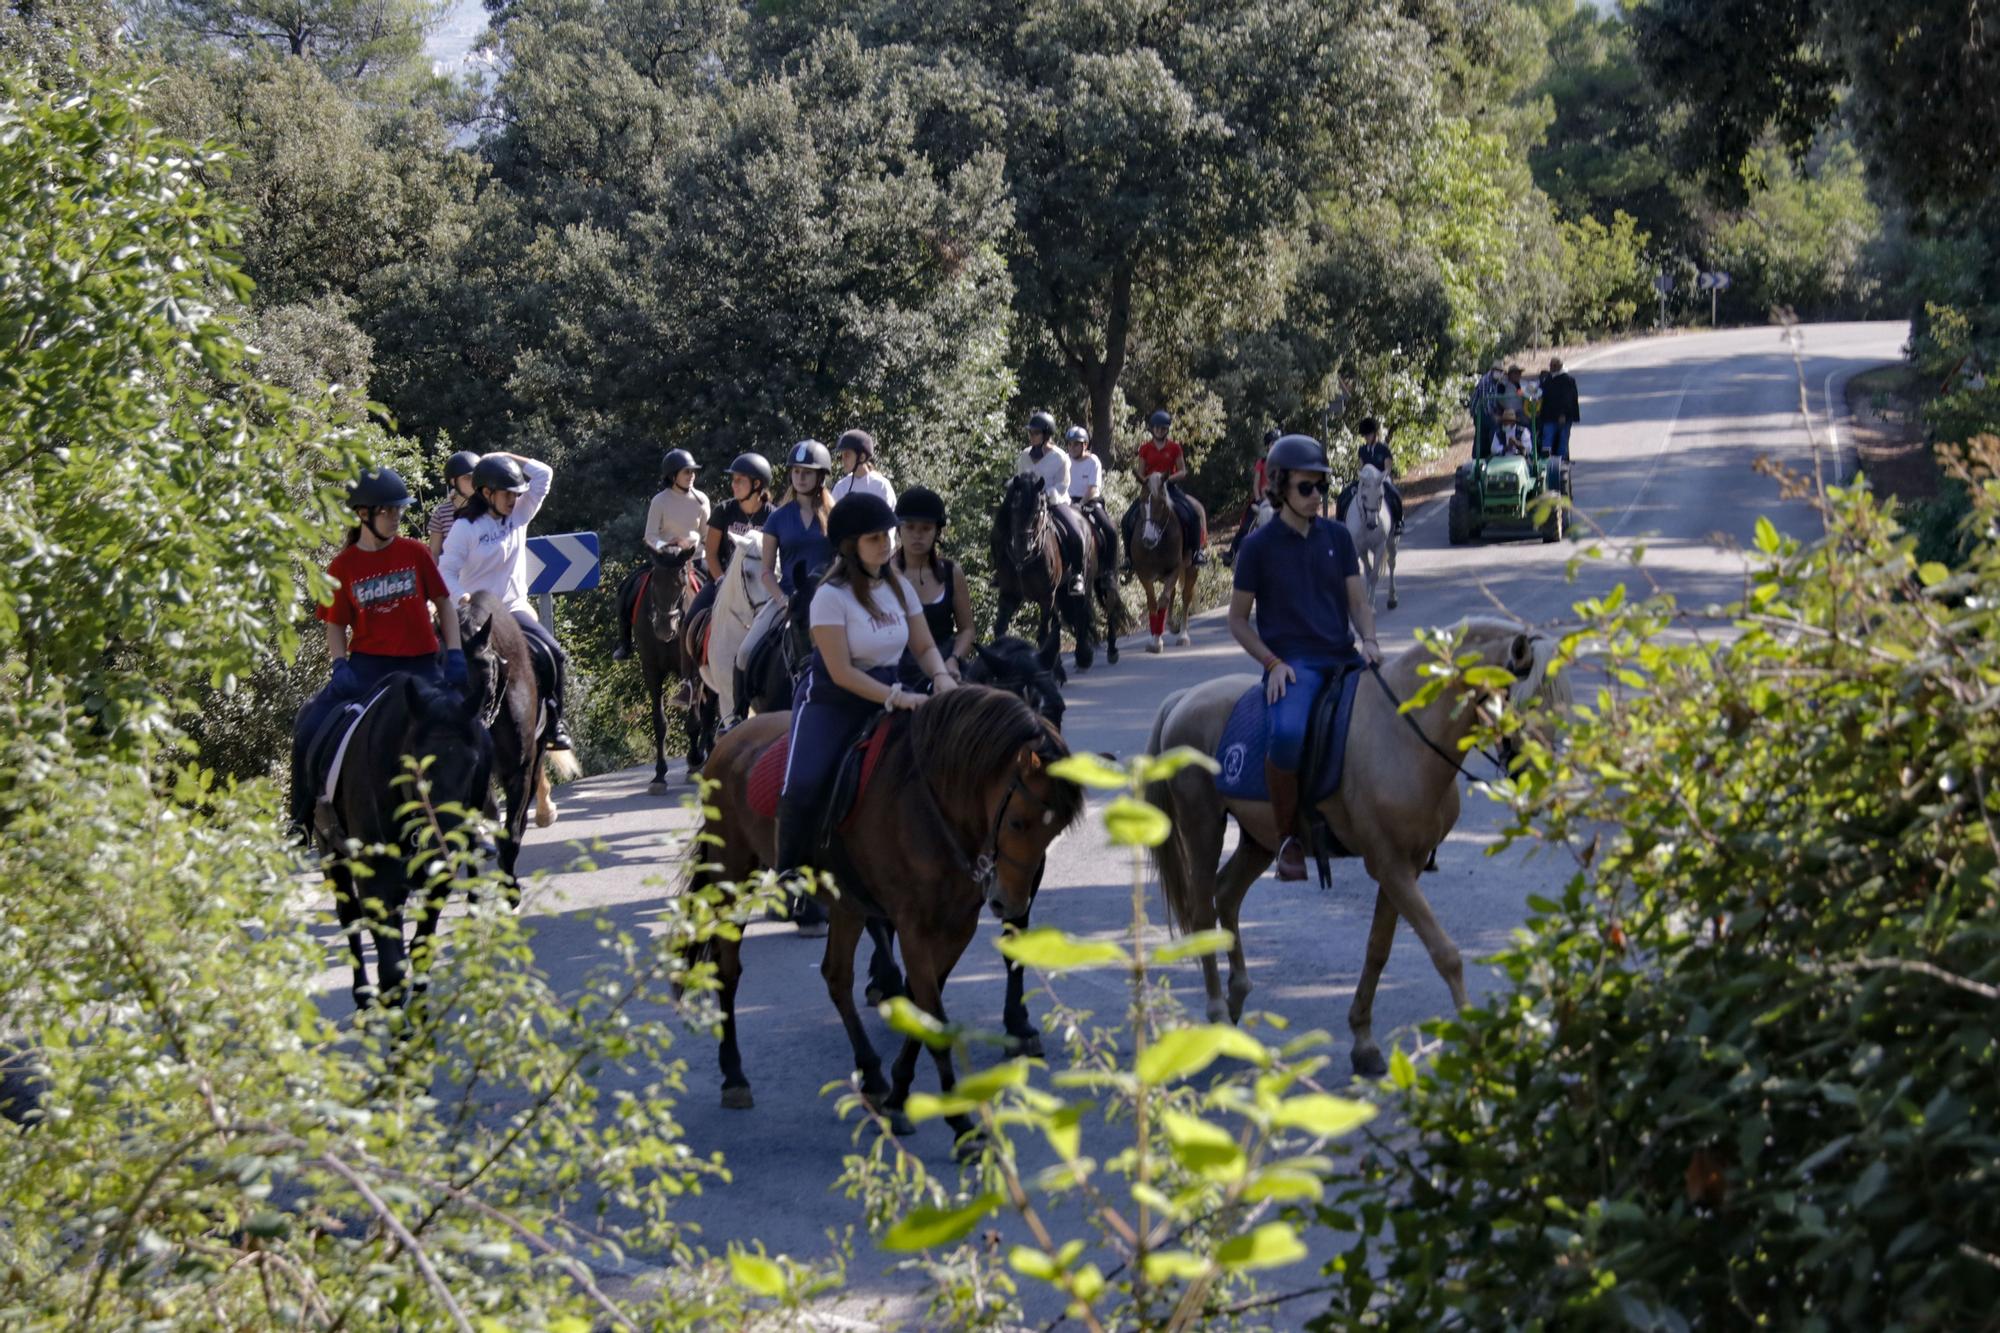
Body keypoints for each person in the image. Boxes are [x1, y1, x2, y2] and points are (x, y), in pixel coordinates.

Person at [778, 492, 956, 934]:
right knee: (802, 784)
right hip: (833, 702)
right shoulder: (829, 597)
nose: (887, 544)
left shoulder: (898, 586)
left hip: (894, 689)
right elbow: (840, 672)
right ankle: (789, 876)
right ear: (849, 545)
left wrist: (942, 679)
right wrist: (897, 699)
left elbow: (923, 645)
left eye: (888, 536)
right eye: (875, 538)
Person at [1227, 435, 1381, 881]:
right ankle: (1289, 838)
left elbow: (1358, 601)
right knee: (1289, 735)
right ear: (1278, 488)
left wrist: (1369, 640)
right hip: (1295, 666)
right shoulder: (1257, 547)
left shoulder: (1337, 536)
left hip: (1345, 659)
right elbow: (1237, 621)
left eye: (1321, 488)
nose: (1316, 497)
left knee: (1396, 713)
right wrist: (1272, 663)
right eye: (1305, 488)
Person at [291, 466, 467, 839]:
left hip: (422, 664)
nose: (396, 517)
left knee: (467, 723)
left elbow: (444, 604)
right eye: (388, 511)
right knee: (310, 722)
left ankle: (478, 812)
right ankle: (300, 817)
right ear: (363, 514)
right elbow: (335, 625)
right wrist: (340, 665)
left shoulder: (415, 552)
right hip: (369, 669)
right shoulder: (342, 566)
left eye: (398, 510)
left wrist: (454, 653)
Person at [439, 452, 574, 750]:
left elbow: (544, 475)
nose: (514, 499)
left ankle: (554, 721)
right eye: (507, 493)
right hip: (475, 614)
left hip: (513, 608)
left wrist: (505, 456)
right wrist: (462, 597)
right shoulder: (465, 528)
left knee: (553, 652)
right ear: (486, 493)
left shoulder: (519, 515)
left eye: (516, 493)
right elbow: (445, 572)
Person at [732, 440, 834, 719]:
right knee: (744, 652)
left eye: (807, 473)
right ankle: (736, 719)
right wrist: (781, 599)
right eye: (796, 472)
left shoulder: (834, 516)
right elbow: (766, 570)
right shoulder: (777, 519)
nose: (800, 478)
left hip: (831, 600)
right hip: (787, 598)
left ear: (820, 477)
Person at [613, 448, 710, 661]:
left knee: (717, 591)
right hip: (664, 561)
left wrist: (690, 542)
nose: (692, 475)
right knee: (626, 589)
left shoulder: (702, 500)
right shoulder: (660, 501)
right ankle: (625, 643)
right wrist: (666, 547)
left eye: (693, 472)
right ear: (673, 475)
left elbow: (707, 535)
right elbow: (650, 535)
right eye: (687, 472)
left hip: (693, 559)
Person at [893, 486, 975, 689]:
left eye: (925, 528)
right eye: (910, 527)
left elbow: (967, 629)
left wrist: (954, 659)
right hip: (897, 670)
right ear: (899, 530)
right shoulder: (883, 573)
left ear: (937, 532)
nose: (917, 535)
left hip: (947, 665)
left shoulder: (951, 572)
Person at [1120, 408, 1207, 574]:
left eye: (1163, 428)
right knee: (1127, 519)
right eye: (1157, 428)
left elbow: (1182, 470)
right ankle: (1128, 558)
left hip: (1169, 487)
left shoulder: (1174, 447)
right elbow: (1141, 470)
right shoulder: (1145, 448)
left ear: (1167, 429)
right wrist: (1146, 479)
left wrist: (1166, 479)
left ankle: (1197, 553)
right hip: (1150, 489)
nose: (1160, 431)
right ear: (1152, 429)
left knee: (1192, 515)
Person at [1014, 411, 1090, 596]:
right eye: (1030, 433)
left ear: (1046, 434)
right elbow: (1019, 480)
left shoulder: (1060, 457)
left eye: (1035, 433)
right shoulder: (1024, 456)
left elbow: (1063, 485)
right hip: (1030, 506)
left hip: (1055, 503)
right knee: (1007, 527)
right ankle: (1003, 572)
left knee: (1075, 532)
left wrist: (1044, 496)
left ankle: (1077, 576)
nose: (1031, 436)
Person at [1334, 418, 1405, 532]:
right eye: (1365, 435)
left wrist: (1378, 478)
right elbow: (1361, 467)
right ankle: (1341, 522)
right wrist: (1362, 476)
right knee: (1344, 495)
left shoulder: (1383, 449)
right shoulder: (1362, 450)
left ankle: (1398, 522)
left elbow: (1387, 469)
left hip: (1381, 480)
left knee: (1394, 495)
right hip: (1366, 481)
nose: (1366, 438)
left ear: (1375, 434)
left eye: (1368, 435)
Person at [1066, 423, 1118, 574]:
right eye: (1070, 444)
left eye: (1076, 444)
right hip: (1067, 501)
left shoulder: (1093, 461)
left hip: (1089, 501)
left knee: (1110, 531)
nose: (1072, 448)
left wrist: (1080, 504)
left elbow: (1092, 488)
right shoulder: (1064, 460)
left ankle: (1108, 571)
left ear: (1085, 445)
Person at [427, 450, 480, 559]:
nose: (473, 482)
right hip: (453, 573)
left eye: (476, 477)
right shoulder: (441, 513)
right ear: (453, 481)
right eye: (467, 478)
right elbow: (433, 554)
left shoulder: (487, 509)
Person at [830, 429, 896, 508]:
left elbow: (890, 518)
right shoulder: (840, 487)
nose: (843, 459)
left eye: (847, 455)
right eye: (842, 455)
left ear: (861, 457)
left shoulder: (881, 486)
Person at [1539, 357, 1580, 461]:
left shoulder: (1567, 380)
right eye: (1551, 365)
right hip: (1549, 416)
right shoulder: (1548, 379)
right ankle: (1546, 462)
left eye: (1554, 365)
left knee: (1563, 440)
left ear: (1559, 366)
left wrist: (1563, 414)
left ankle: (1561, 463)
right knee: (1547, 439)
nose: (1551, 367)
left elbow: (1568, 399)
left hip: (1563, 418)